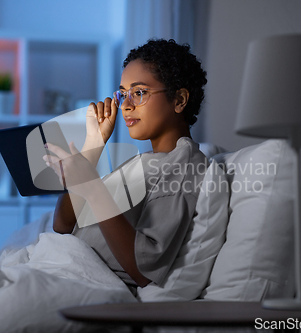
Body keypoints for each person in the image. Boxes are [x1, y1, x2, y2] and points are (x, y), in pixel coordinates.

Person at [43, 39, 208, 291]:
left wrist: (92, 188)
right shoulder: (141, 163)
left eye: (139, 93)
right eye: (123, 94)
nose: (126, 105)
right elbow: (63, 224)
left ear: (179, 100)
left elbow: (145, 269)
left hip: (86, 285)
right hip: (60, 270)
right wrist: (93, 145)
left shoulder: (183, 165)